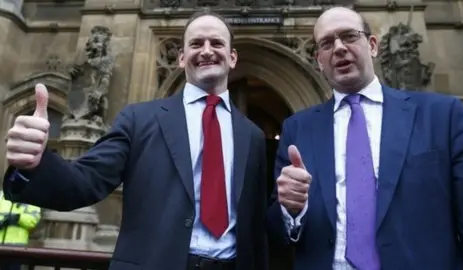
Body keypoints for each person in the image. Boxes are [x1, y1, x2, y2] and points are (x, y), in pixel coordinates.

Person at [3, 11, 268, 270]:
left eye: (217, 43)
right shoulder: (139, 120)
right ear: (181, 57)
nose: (207, 50)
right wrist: (33, 165)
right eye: (196, 43)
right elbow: (84, 182)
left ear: (232, 57)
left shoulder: (253, 137)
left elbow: (257, 230)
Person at [267, 6, 463, 270]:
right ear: (319, 61)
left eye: (349, 36)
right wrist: (291, 210)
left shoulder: (442, 116)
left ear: (373, 45)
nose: (339, 47)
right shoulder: (297, 129)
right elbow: (276, 233)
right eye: (326, 43)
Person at [0, 190, 41, 270]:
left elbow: (34, 220)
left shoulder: (32, 199)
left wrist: (18, 218)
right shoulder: (1, 195)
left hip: (16, 249)